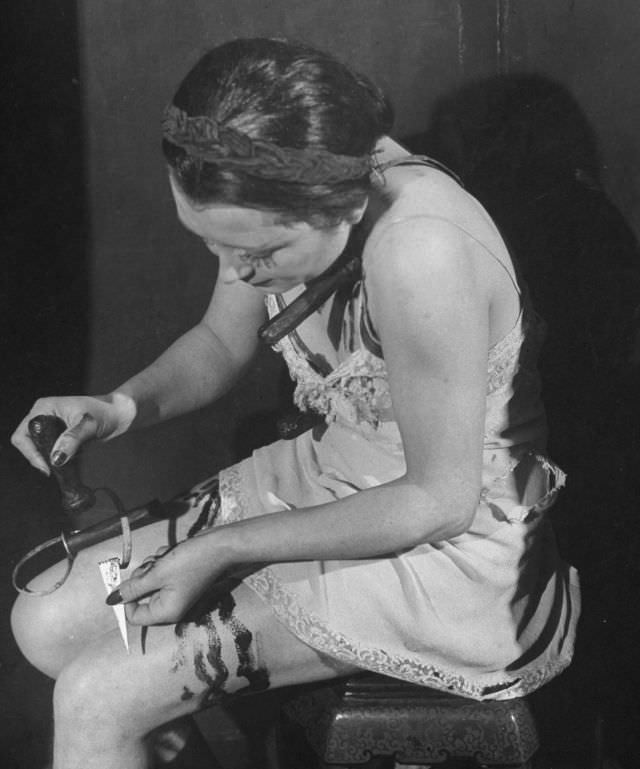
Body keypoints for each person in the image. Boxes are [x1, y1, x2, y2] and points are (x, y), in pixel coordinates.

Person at [10, 37, 579, 769]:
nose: (238, 272)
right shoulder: (273, 185)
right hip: (338, 477)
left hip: (446, 546)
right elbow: (220, 343)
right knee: (44, 622)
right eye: (212, 245)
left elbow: (439, 499)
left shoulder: (421, 248)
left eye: (257, 255)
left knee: (98, 697)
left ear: (339, 205)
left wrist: (218, 549)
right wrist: (120, 406)